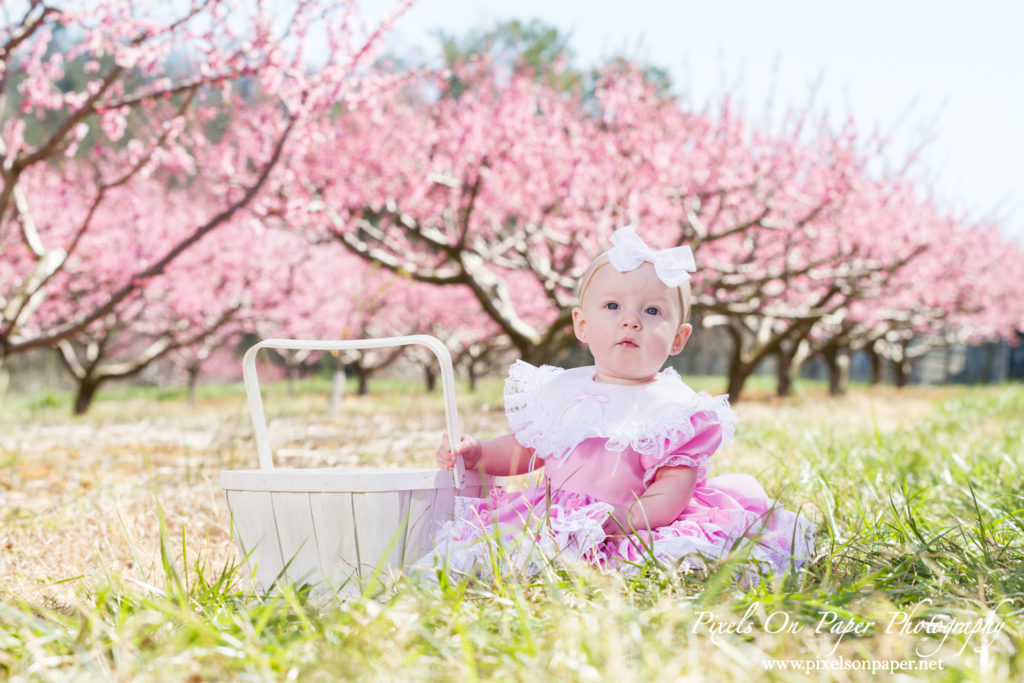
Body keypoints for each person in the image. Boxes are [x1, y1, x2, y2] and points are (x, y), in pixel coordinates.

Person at [419, 225, 816, 580]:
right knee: (501, 553)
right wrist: (478, 454)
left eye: (652, 311)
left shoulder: (672, 409)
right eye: (613, 306)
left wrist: (626, 519)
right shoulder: (561, 391)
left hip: (635, 518)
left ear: (678, 338)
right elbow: (526, 450)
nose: (631, 321)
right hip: (559, 513)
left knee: (659, 562)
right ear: (582, 324)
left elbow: (674, 487)